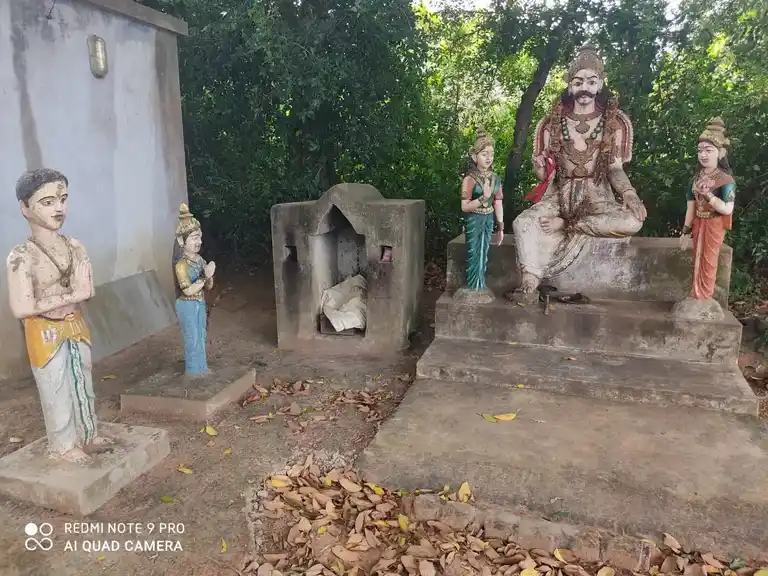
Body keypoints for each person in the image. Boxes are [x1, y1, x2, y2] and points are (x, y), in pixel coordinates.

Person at [512, 45, 647, 297]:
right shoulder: (551, 123)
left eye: (591, 81)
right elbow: (546, 178)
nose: (584, 87)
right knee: (523, 222)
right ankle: (529, 280)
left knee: (632, 221)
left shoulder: (614, 122)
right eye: (578, 81)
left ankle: (568, 226)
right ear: (569, 85)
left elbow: (615, 168)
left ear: (600, 84)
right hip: (559, 194)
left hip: (597, 197)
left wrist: (629, 194)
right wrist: (541, 169)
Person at [7, 169, 111, 465]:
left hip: (74, 324)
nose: (59, 208)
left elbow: (87, 288)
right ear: (25, 208)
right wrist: (72, 295)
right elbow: (22, 308)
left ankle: (88, 432)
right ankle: (64, 444)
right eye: (48, 201)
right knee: (55, 387)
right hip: (44, 330)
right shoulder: (21, 256)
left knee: (83, 381)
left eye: (63, 199)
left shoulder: (74, 246)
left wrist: (71, 296)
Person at [673, 118, 735, 319]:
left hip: (715, 223)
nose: (703, 154)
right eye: (700, 150)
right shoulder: (695, 179)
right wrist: (685, 231)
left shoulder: (726, 181)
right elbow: (691, 207)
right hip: (699, 222)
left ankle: (705, 296)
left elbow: (727, 209)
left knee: (708, 260)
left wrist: (709, 195)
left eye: (709, 150)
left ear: (721, 152)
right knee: (697, 258)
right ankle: (695, 294)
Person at [458, 130, 504, 301]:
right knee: (473, 251)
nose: (488, 158)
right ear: (474, 155)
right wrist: (483, 198)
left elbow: (498, 201)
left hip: (488, 218)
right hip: (474, 219)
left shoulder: (495, 178)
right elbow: (464, 206)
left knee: (484, 253)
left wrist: (501, 225)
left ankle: (480, 284)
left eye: (491, 154)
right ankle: (472, 285)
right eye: (484, 154)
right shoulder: (469, 179)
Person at [172, 203, 215, 376]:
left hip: (200, 302)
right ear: (182, 241)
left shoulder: (199, 260)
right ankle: (192, 370)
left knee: (202, 335)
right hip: (187, 305)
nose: (199, 242)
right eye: (194, 238)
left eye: (200, 237)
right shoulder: (181, 265)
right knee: (192, 338)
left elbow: (209, 286)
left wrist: (210, 276)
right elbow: (187, 291)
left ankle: (201, 368)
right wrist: (205, 276)